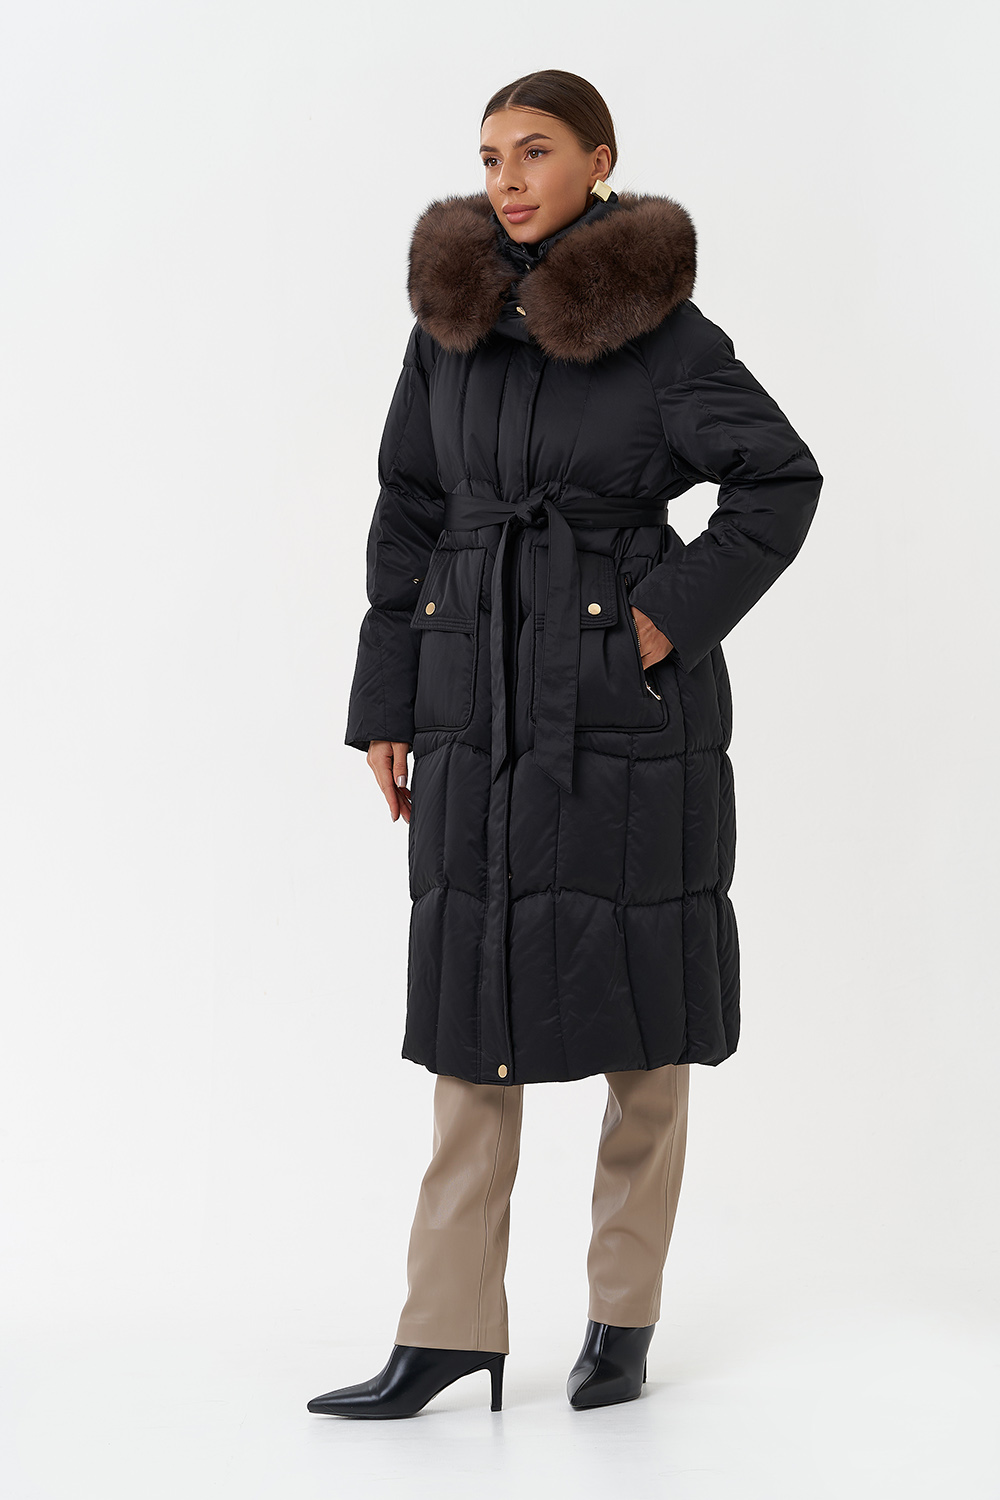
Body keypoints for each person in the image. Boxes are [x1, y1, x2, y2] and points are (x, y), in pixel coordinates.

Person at [308, 69, 823, 1419]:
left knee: (641, 1019)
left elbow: (779, 479)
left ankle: (622, 1318)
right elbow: (409, 506)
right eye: (490, 156)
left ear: (600, 160)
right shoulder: (449, 326)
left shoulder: (664, 334)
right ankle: (445, 1329)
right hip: (473, 699)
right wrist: (388, 702)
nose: (508, 178)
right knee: (469, 1010)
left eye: (534, 151)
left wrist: (659, 621)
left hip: (624, 715)